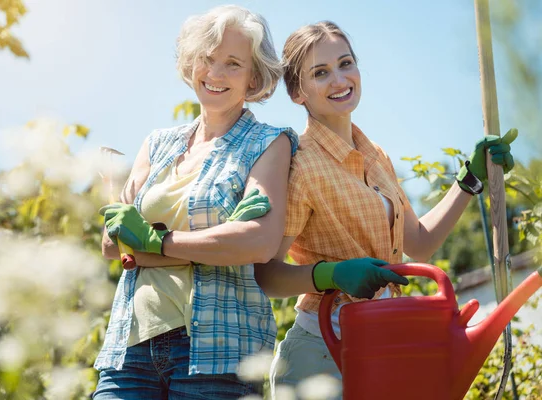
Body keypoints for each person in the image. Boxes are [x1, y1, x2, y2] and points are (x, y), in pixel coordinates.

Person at [253, 21, 518, 398]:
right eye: (321, 73)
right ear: (298, 92)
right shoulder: (299, 164)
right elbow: (267, 276)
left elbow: (420, 244)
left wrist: (469, 179)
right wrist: (333, 274)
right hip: (319, 351)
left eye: (346, 63)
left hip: (381, 343)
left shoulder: (376, 156)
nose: (340, 79)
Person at [92, 5, 298, 399]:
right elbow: (112, 244)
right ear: (191, 62)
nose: (215, 73)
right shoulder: (157, 144)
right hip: (131, 348)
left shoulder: (270, 143)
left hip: (219, 352)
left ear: (254, 76)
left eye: (233, 63)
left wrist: (155, 243)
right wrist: (218, 242)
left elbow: (258, 243)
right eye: (207, 58)